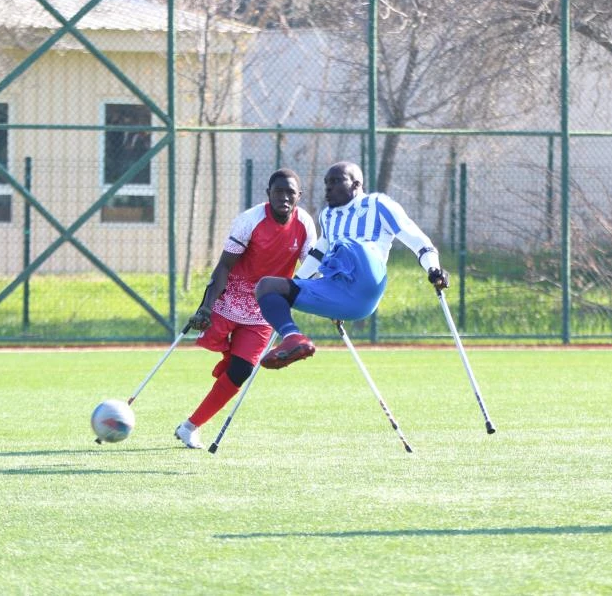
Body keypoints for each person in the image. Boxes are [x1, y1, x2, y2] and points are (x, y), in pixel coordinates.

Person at [254, 160, 450, 369]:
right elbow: (317, 254)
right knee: (267, 286)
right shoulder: (327, 216)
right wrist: (293, 288)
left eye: (336, 181)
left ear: (356, 185)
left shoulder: (378, 204)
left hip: (368, 282)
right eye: (326, 182)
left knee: (346, 244)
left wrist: (433, 268)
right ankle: (293, 338)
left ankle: (334, 276)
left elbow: (417, 240)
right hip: (339, 291)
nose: (328, 187)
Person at [174, 168, 317, 449]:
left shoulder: (305, 225)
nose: (284, 197)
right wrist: (206, 307)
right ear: (268, 194)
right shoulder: (250, 220)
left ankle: (190, 427)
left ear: (299, 196)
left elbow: (309, 271)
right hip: (230, 300)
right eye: (279, 191)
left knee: (241, 371)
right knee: (226, 357)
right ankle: (226, 351)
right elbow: (224, 265)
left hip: (265, 308)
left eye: (291, 192)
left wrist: (327, 302)